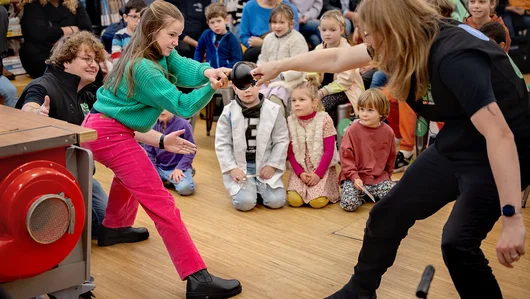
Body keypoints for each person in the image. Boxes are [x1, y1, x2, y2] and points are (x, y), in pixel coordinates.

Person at [252, 0, 528, 298]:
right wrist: (279, 66)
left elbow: (499, 136)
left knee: (458, 242)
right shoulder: (403, 40)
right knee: (386, 214)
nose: (366, 43)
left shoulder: (454, 55)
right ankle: (360, 291)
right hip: (464, 136)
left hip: (510, 144)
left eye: (369, 34)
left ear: (393, 28)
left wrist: (512, 218)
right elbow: (338, 59)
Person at [80, 1, 241, 297]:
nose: (176, 42)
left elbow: (185, 67)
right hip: (108, 134)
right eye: (172, 35)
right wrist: (212, 88)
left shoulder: (154, 52)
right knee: (162, 204)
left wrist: (208, 72)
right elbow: (181, 104)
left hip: (108, 129)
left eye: (179, 35)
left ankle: (113, 228)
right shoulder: (144, 68)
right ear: (153, 31)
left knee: (132, 174)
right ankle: (198, 279)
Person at [15, 31, 109, 239]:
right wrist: (36, 115)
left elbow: (109, 125)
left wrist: (160, 140)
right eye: (86, 59)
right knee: (65, 228)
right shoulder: (42, 86)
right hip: (46, 178)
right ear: (65, 62)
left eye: (95, 60)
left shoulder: (88, 94)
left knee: (104, 222)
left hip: (80, 174)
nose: (93, 65)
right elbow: (29, 108)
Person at [215, 61, 289, 211]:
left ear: (260, 84)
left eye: (252, 84)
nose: (248, 90)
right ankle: (251, 191)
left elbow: (281, 140)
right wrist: (232, 168)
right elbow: (222, 144)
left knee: (277, 202)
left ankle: (257, 188)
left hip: (265, 165)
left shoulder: (274, 110)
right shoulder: (228, 112)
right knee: (245, 204)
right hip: (242, 167)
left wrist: (272, 164)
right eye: (242, 86)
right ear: (234, 88)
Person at [339, 89, 396, 212]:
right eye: (361, 109)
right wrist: (354, 177)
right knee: (348, 204)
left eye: (370, 110)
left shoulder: (388, 132)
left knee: (396, 196)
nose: (364, 114)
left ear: (381, 112)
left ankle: (370, 194)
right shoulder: (352, 130)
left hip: (378, 179)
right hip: (355, 179)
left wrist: (387, 177)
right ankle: (364, 197)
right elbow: (346, 158)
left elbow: (391, 158)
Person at [286, 81, 340, 209]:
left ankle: (324, 191)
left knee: (317, 202)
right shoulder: (291, 121)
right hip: (301, 169)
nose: (297, 104)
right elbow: (291, 152)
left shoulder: (324, 119)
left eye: (301, 99)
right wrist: (300, 173)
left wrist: (318, 174)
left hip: (321, 169)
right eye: (293, 100)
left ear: (314, 103)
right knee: (294, 201)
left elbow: (329, 151)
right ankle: (300, 187)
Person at [305, 9, 364, 121]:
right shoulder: (319, 48)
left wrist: (323, 92)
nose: (327, 33)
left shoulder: (347, 51)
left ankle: (328, 135)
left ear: (341, 30)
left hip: (345, 90)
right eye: (324, 30)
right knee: (303, 99)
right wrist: (313, 80)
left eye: (332, 30)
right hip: (323, 88)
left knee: (323, 105)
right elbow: (312, 68)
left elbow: (345, 81)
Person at [19, 0, 92, 78]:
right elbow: (39, 32)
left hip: (71, 51)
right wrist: (71, 30)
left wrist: (55, 33)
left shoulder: (74, 3)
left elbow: (86, 31)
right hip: (41, 55)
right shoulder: (32, 4)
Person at [257, 3, 308, 115]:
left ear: (291, 24)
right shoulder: (268, 38)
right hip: (268, 79)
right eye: (274, 22)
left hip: (291, 81)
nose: (277, 26)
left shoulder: (297, 39)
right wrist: (261, 73)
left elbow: (299, 68)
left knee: (275, 97)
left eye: (281, 22)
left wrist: (278, 76)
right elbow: (263, 59)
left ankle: (280, 128)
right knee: (254, 94)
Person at [144, 111, 197, 196]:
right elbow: (149, 153)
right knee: (143, 183)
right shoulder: (152, 124)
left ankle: (186, 171)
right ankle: (168, 180)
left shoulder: (183, 124)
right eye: (160, 107)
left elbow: (192, 150)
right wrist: (154, 171)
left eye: (166, 107)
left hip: (177, 168)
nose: (162, 111)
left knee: (185, 189)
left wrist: (180, 168)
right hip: (160, 167)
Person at [194, 3, 242, 68]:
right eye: (212, 22)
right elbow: (199, 49)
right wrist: (197, 65)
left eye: (219, 21)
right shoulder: (206, 34)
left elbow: (237, 59)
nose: (216, 25)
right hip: (210, 72)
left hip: (226, 74)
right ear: (208, 23)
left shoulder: (232, 39)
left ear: (226, 20)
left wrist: (227, 70)